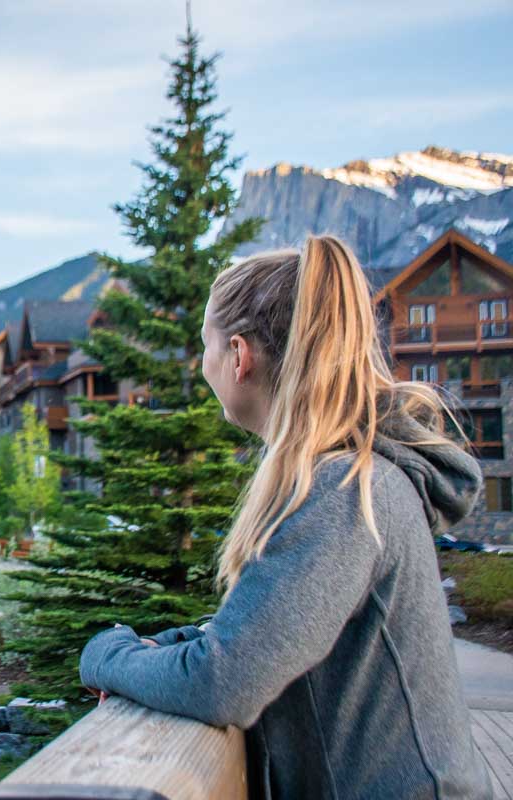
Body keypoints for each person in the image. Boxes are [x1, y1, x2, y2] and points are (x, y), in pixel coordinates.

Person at [78, 235, 493, 799]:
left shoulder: (342, 491)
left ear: (240, 356)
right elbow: (261, 636)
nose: (204, 365)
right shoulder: (350, 478)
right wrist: (176, 644)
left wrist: (106, 655)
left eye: (206, 346)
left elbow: (224, 681)